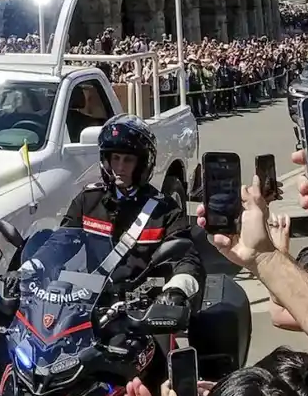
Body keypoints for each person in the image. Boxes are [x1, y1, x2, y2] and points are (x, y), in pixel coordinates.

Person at [59, 115, 202, 329]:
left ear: (142, 163)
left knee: (159, 359)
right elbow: (60, 243)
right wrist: (29, 269)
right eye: (115, 158)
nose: (120, 167)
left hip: (144, 312)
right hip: (91, 305)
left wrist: (176, 291)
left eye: (128, 160)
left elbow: (187, 259)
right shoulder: (87, 200)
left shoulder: (165, 210)